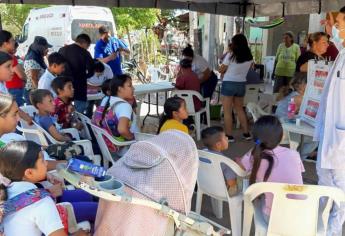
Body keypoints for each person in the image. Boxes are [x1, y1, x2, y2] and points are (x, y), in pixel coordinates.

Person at [0, 141, 90, 236]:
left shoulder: (6, 192)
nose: (46, 163)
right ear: (29, 173)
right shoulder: (41, 202)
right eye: (42, 160)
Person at [237, 115, 304, 222]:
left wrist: (240, 159)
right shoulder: (294, 154)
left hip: (273, 218)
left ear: (255, 138)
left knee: (261, 196)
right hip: (300, 214)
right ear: (282, 137)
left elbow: (240, 168)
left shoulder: (253, 156)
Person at [314, 6, 345, 235]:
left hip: (341, 138)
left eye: (341, 22)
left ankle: (332, 231)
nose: (337, 27)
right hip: (331, 133)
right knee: (324, 184)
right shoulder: (342, 53)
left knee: (341, 191)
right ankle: (319, 227)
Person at [218, 34, 253, 143]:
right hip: (241, 84)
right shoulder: (249, 56)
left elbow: (221, 69)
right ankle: (246, 133)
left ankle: (229, 136)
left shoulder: (230, 55)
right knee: (240, 109)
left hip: (229, 83)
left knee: (227, 111)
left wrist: (221, 67)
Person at [59, 34, 94, 115]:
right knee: (79, 113)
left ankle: (67, 125)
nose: (87, 48)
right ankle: (77, 124)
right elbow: (91, 71)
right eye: (88, 46)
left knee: (64, 111)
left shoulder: (62, 50)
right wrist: (84, 77)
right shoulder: (85, 53)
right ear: (85, 43)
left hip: (63, 86)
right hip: (80, 86)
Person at [95, 75, 138, 142]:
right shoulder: (124, 106)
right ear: (119, 88)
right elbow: (122, 130)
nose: (133, 88)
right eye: (130, 86)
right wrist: (134, 139)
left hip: (114, 148)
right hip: (129, 148)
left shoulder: (110, 100)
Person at [201, 126, 239, 196]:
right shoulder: (225, 161)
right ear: (218, 145)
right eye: (225, 137)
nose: (227, 138)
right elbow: (231, 183)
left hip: (204, 186)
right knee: (240, 179)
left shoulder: (201, 153)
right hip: (220, 191)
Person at [0, 51, 32, 125]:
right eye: (8, 66)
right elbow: (11, 106)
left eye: (12, 66)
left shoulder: (3, 84)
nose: (12, 71)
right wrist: (27, 118)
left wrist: (27, 118)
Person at [0, 30, 26, 107]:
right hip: (14, 89)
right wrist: (25, 79)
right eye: (12, 40)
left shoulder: (9, 57)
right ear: (5, 43)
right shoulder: (7, 58)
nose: (14, 42)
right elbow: (21, 75)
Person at [24, 36, 52, 104]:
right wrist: (39, 95)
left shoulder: (37, 57)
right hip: (33, 92)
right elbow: (34, 78)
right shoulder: (32, 59)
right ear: (40, 48)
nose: (47, 49)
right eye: (46, 48)